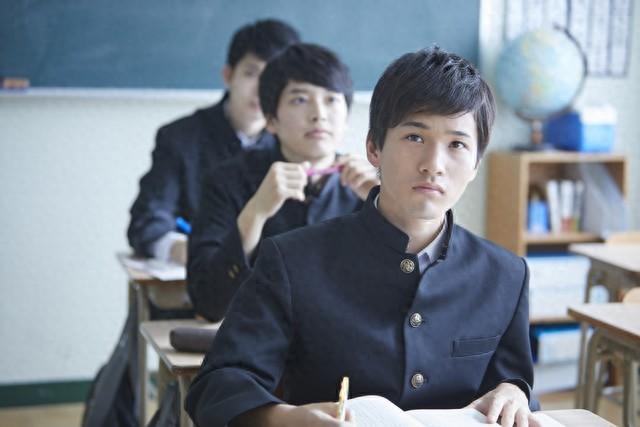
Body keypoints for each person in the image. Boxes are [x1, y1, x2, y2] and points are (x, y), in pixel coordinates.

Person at [186, 47, 540, 427]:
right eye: (414, 137)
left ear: (475, 164)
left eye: (457, 144)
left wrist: (514, 392)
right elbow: (217, 387)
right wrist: (287, 418)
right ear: (374, 148)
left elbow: (514, 387)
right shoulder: (293, 261)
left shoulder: (505, 275)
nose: (433, 165)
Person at [187, 43, 379, 322]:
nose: (319, 114)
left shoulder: (370, 187)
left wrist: (385, 208)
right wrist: (255, 213)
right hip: (260, 341)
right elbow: (208, 303)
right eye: (299, 100)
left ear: (347, 117)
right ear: (271, 120)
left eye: (331, 100)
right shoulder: (227, 181)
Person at [127, 19, 300, 264]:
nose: (261, 89)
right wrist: (186, 250)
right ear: (228, 75)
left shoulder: (297, 143)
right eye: (251, 74)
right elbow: (148, 220)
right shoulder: (180, 138)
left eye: (273, 78)